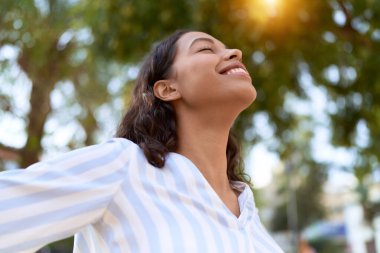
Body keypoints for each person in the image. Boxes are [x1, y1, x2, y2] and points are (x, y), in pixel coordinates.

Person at [0, 30, 284, 253]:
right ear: (168, 88)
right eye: (206, 48)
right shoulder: (124, 167)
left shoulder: (247, 209)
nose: (236, 52)